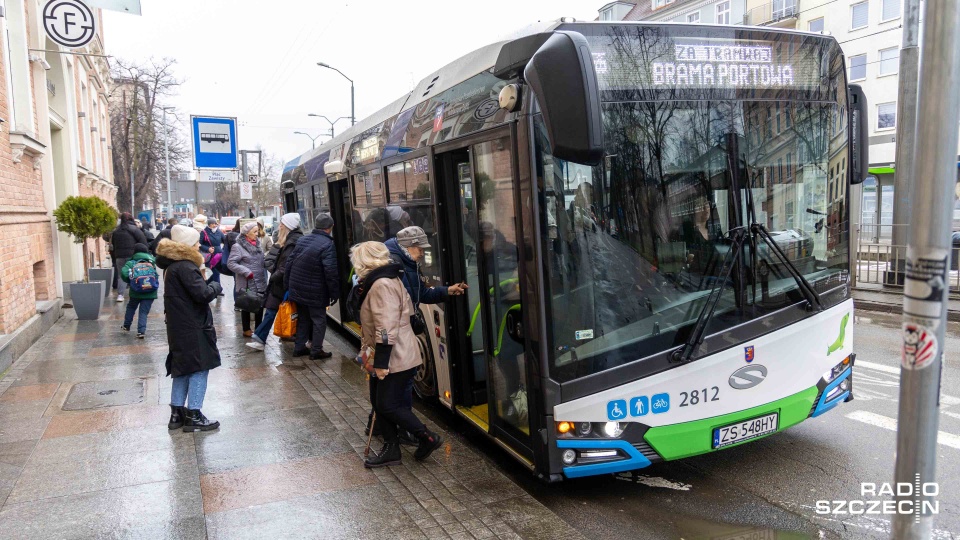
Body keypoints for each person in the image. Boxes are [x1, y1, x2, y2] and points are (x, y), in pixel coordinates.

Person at [351, 241, 443, 468]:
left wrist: (381, 363)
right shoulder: (386, 278)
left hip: (395, 356)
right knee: (379, 402)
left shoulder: (381, 283)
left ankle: (427, 437)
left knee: (388, 405)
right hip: (390, 353)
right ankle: (392, 448)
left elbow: (386, 328)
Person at [155, 225, 223, 432]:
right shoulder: (185, 266)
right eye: (195, 243)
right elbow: (202, 294)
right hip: (193, 326)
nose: (198, 246)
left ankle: (177, 414)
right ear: (186, 246)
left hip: (179, 325)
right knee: (200, 367)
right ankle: (194, 413)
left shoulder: (172, 267)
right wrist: (215, 286)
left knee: (182, 368)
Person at [284, 212, 339, 359]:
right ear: (330, 227)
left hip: (297, 288)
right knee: (319, 320)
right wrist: (334, 293)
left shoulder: (303, 239)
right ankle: (316, 350)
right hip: (315, 290)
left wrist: (288, 285)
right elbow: (331, 272)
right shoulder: (328, 244)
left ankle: (299, 347)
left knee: (303, 318)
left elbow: (289, 262)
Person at [247, 213, 303, 351]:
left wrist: (274, 276)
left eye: (282, 224)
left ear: (288, 226)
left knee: (274, 311)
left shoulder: (292, 242)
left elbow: (285, 266)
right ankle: (260, 338)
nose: (280, 226)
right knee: (271, 310)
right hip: (282, 283)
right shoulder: (288, 240)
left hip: (283, 284)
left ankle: (261, 338)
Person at [228, 221, 267, 338]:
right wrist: (246, 271)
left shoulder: (258, 244)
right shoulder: (238, 246)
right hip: (247, 281)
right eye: (254, 231)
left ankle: (258, 329)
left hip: (260, 279)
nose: (257, 234)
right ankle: (246, 329)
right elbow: (231, 263)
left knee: (260, 305)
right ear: (247, 233)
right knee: (247, 304)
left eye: (257, 231)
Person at [120, 243, 159, 338]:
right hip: (150, 291)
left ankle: (126, 326)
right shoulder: (152, 261)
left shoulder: (131, 262)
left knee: (131, 307)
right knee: (143, 312)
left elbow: (124, 273)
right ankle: (141, 331)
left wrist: (131, 281)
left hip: (136, 291)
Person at [109, 212, 148, 303]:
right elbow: (143, 242)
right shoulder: (135, 229)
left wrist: (114, 256)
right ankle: (135, 293)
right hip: (133, 255)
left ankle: (120, 295)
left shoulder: (116, 231)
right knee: (135, 273)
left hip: (119, 256)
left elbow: (113, 244)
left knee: (121, 275)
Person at [200, 217, 225, 287]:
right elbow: (199, 244)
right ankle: (214, 287)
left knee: (216, 271)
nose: (215, 225)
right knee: (213, 271)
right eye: (214, 224)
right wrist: (208, 249)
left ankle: (213, 286)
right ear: (210, 224)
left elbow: (225, 241)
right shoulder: (204, 232)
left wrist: (222, 250)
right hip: (209, 255)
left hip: (218, 255)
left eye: (216, 224)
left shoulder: (219, 231)